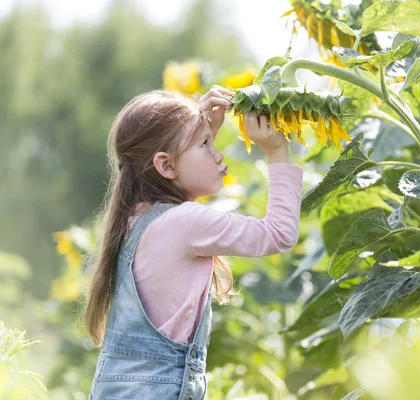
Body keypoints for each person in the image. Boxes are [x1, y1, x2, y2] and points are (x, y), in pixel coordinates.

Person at [83, 86, 303, 400]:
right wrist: (276, 151)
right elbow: (279, 234)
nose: (219, 154)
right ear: (166, 166)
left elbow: (177, 184)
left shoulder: (135, 218)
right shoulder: (185, 223)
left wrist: (195, 133)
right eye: (205, 144)